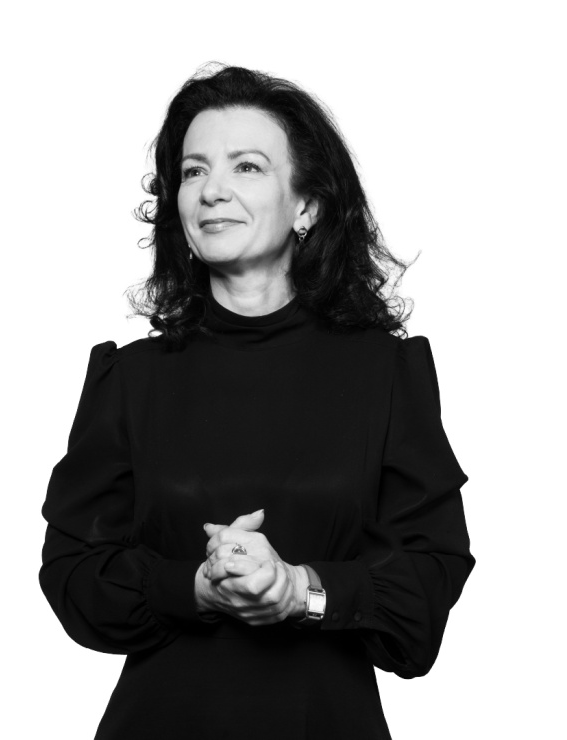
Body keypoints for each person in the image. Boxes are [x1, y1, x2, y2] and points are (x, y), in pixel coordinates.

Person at [39, 64, 475, 740]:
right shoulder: (131, 379)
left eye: (246, 166)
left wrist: (299, 590)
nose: (212, 189)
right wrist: (194, 588)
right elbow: (73, 575)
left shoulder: (384, 373)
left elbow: (424, 592)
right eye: (193, 171)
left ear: (307, 206)